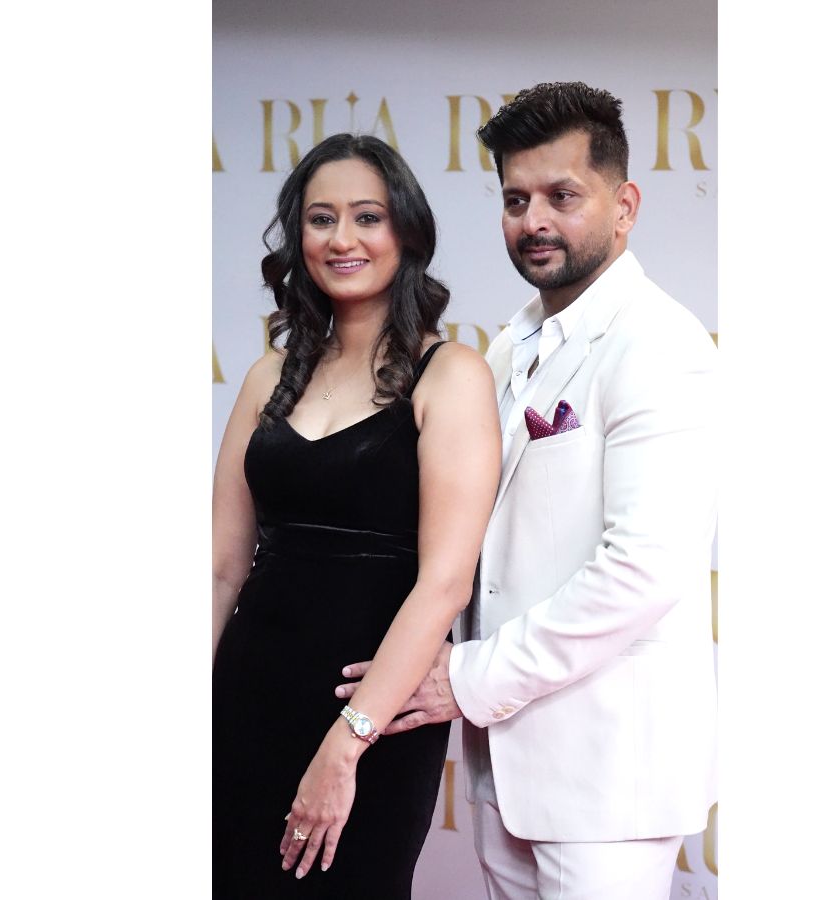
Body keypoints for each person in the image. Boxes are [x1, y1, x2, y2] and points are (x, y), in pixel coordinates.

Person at [337, 82, 718, 898]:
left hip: (608, 779)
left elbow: (644, 568)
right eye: (516, 200)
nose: (534, 220)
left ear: (625, 207)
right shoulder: (508, 347)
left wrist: (468, 677)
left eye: (562, 196)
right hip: (503, 771)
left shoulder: (660, 344)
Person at [212, 133, 501, 898]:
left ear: (405, 231)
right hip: (245, 696)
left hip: (371, 715)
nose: (343, 239)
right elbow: (220, 568)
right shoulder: (267, 375)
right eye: (321, 219)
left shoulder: (452, 374)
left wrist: (346, 745)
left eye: (367, 217)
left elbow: (445, 583)